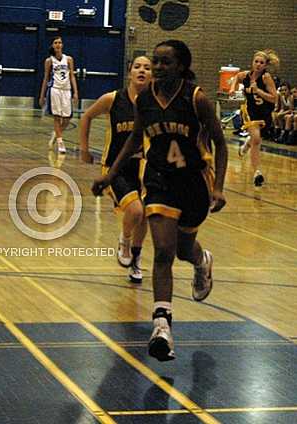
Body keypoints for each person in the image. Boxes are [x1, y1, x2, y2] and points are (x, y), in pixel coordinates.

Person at [92, 40, 228, 361]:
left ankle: (201, 261)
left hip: (194, 181)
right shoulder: (145, 100)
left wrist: (219, 187)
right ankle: (162, 326)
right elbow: (135, 139)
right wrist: (110, 175)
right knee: (163, 251)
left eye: (165, 62)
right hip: (158, 179)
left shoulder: (197, 100)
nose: (157, 67)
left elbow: (221, 145)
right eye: (156, 61)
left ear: (180, 66)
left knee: (183, 250)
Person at [79, 56, 151, 283]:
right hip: (116, 167)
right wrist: (84, 148)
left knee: (146, 215)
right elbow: (87, 115)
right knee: (136, 211)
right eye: (137, 66)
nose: (142, 70)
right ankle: (125, 240)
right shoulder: (113, 99)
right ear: (129, 72)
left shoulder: (154, 102)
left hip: (146, 167)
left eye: (147, 68)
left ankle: (136, 259)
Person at [229, 50, 278, 186]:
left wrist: (259, 91)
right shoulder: (246, 75)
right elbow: (236, 77)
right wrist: (232, 88)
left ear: (265, 65)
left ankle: (247, 144)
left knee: (255, 139)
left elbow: (274, 99)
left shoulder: (266, 78)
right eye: (256, 61)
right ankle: (257, 172)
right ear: (252, 62)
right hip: (250, 112)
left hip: (265, 113)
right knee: (257, 139)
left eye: (261, 63)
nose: (258, 64)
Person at [39, 36, 78, 154]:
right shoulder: (49, 61)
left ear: (62, 45)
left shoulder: (69, 59)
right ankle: (61, 143)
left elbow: (72, 76)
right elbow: (45, 78)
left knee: (67, 118)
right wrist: (42, 96)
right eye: (55, 42)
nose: (58, 44)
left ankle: (56, 135)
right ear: (52, 45)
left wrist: (76, 92)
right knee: (57, 117)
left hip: (67, 90)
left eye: (60, 42)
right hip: (54, 89)